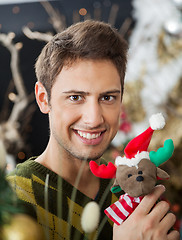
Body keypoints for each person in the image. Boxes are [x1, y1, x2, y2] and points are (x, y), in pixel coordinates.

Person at [7, 20, 179, 240]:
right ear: (43, 99)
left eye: (107, 97)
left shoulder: (132, 186)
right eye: (75, 97)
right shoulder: (13, 200)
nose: (94, 119)